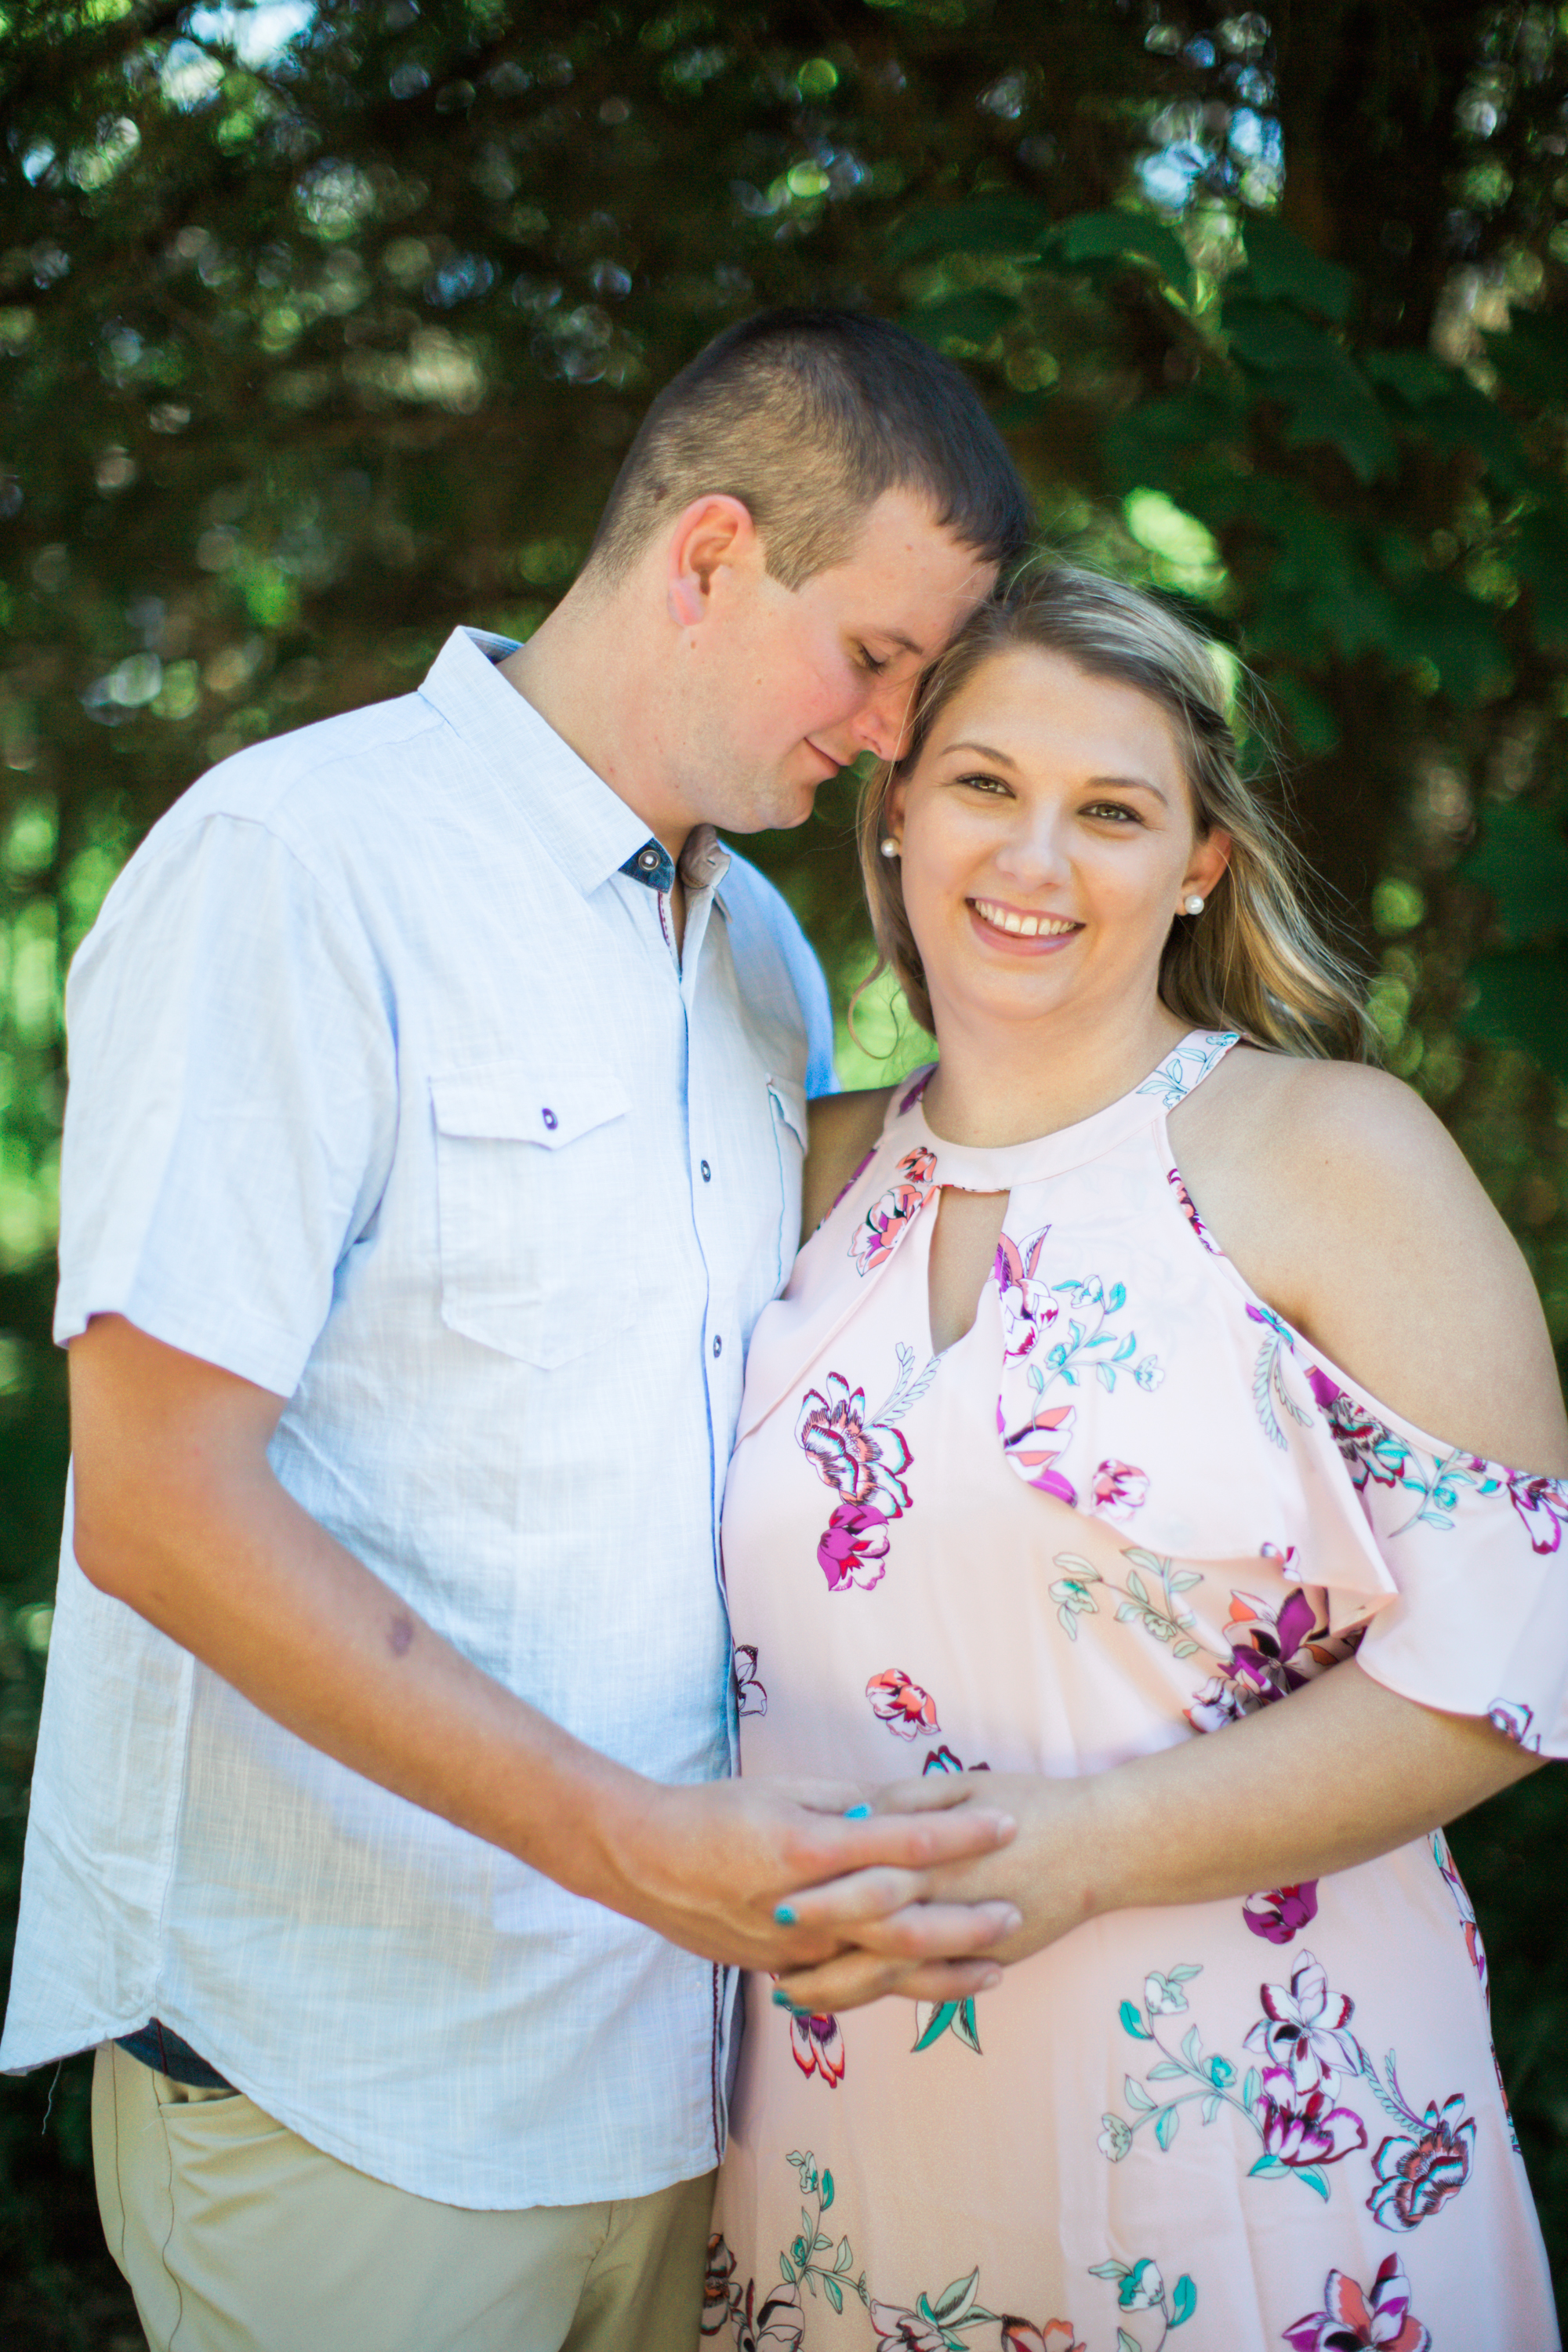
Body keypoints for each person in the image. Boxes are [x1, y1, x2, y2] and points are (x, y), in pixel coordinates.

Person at [0, 311, 1038, 2352]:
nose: (899, 737)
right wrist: (634, 1844)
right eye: (879, 658)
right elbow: (156, 1503)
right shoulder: (299, 865)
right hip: (351, 2092)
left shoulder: (756, 958)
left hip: (670, 2091)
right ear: (713, 554)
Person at [710, 565, 1566, 2349]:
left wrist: (1081, 1848)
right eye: (983, 785)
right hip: (847, 2139)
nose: (1033, 861)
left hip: (1257, 2133)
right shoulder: (785, 1167)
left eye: (1110, 811)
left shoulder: (1329, 1152)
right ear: (894, 815)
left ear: (1197, 865)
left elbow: (1519, 1647)